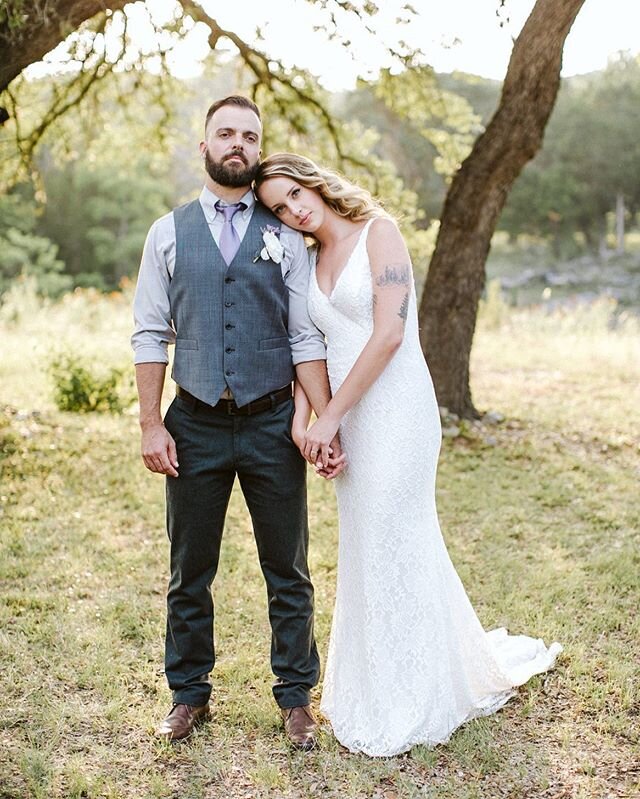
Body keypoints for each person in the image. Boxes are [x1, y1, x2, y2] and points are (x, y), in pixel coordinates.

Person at [254, 152, 563, 757]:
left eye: (294, 193)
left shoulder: (380, 233)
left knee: (397, 532)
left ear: (312, 182)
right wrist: (309, 419)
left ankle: (419, 692)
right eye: (278, 208)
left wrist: (334, 414)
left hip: (395, 409)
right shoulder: (310, 259)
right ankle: (371, 682)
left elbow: (391, 334)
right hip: (345, 411)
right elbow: (307, 343)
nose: (293, 210)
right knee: (366, 540)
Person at [131, 98, 344, 749]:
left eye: (249, 136)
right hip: (191, 420)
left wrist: (321, 421)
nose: (237, 144)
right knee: (188, 566)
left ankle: (295, 697)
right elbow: (148, 333)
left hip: (271, 421)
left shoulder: (285, 236)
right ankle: (189, 693)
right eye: (225, 132)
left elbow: (305, 334)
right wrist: (149, 424)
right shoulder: (166, 233)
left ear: (257, 149)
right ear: (204, 146)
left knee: (288, 565)